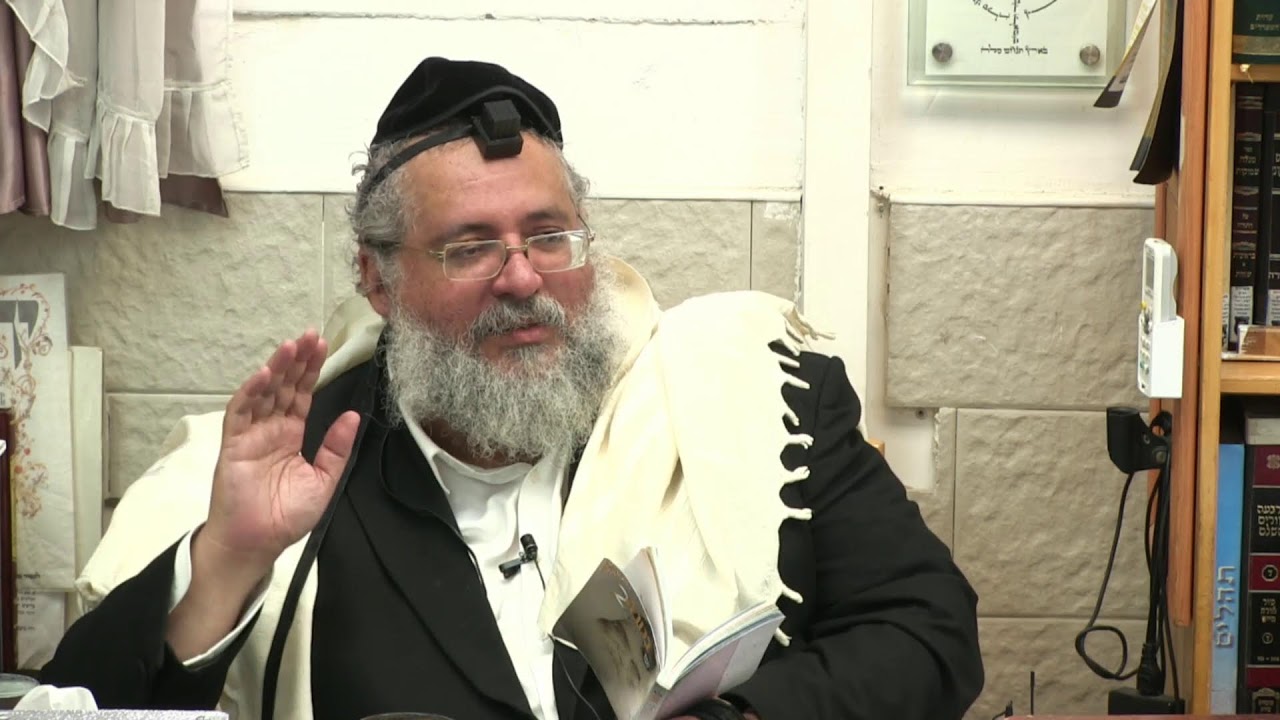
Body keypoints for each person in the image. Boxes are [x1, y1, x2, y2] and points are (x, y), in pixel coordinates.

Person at [38, 57, 984, 720]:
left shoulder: (752, 397)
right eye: (469, 248)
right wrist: (228, 559)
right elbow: (81, 705)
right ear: (377, 279)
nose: (523, 277)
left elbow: (929, 632)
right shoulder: (303, 471)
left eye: (549, 236)